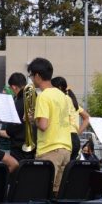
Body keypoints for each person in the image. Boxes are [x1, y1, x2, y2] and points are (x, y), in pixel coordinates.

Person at [26, 57, 72, 196]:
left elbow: (43, 125)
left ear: (37, 76)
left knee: (42, 192)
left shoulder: (43, 96)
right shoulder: (62, 95)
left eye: (31, 76)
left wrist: (31, 119)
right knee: (57, 193)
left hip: (49, 149)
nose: (31, 79)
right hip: (66, 149)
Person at [52, 76, 90, 160]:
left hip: (65, 138)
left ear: (59, 88)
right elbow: (87, 117)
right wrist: (78, 132)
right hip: (74, 138)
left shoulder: (63, 99)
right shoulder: (72, 100)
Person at [0, 72, 35, 162]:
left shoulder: (19, 102)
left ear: (14, 87)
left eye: (11, 88)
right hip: (35, 144)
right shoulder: (35, 97)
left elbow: (10, 129)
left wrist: (8, 130)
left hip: (19, 146)